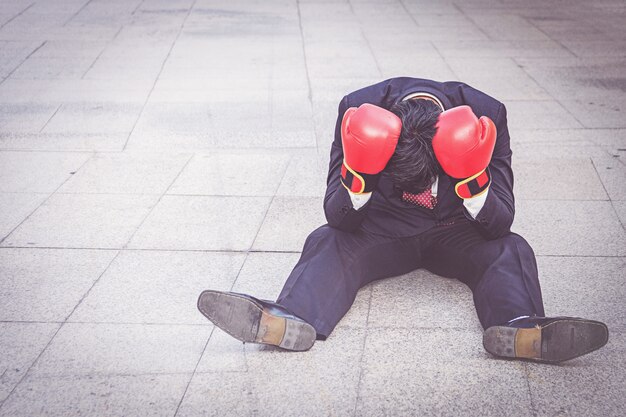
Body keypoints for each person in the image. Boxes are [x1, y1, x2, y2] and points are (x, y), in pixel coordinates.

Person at [197, 77, 609, 363]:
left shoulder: (488, 114)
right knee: (327, 238)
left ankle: (521, 328)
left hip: (456, 231)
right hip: (383, 229)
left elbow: (500, 220)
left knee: (511, 247)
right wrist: (360, 177)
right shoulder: (357, 109)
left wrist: (472, 178)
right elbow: (336, 214)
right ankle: (290, 318)